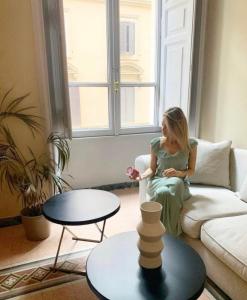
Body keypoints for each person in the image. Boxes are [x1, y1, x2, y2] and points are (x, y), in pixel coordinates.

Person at [131, 107, 198, 236]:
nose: (162, 129)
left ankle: (155, 233)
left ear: (176, 127)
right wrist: (140, 176)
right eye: (162, 125)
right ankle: (171, 236)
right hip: (158, 181)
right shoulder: (156, 144)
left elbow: (191, 171)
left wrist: (178, 173)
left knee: (175, 184)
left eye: (165, 126)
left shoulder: (190, 145)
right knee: (163, 191)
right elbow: (152, 169)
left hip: (180, 185)